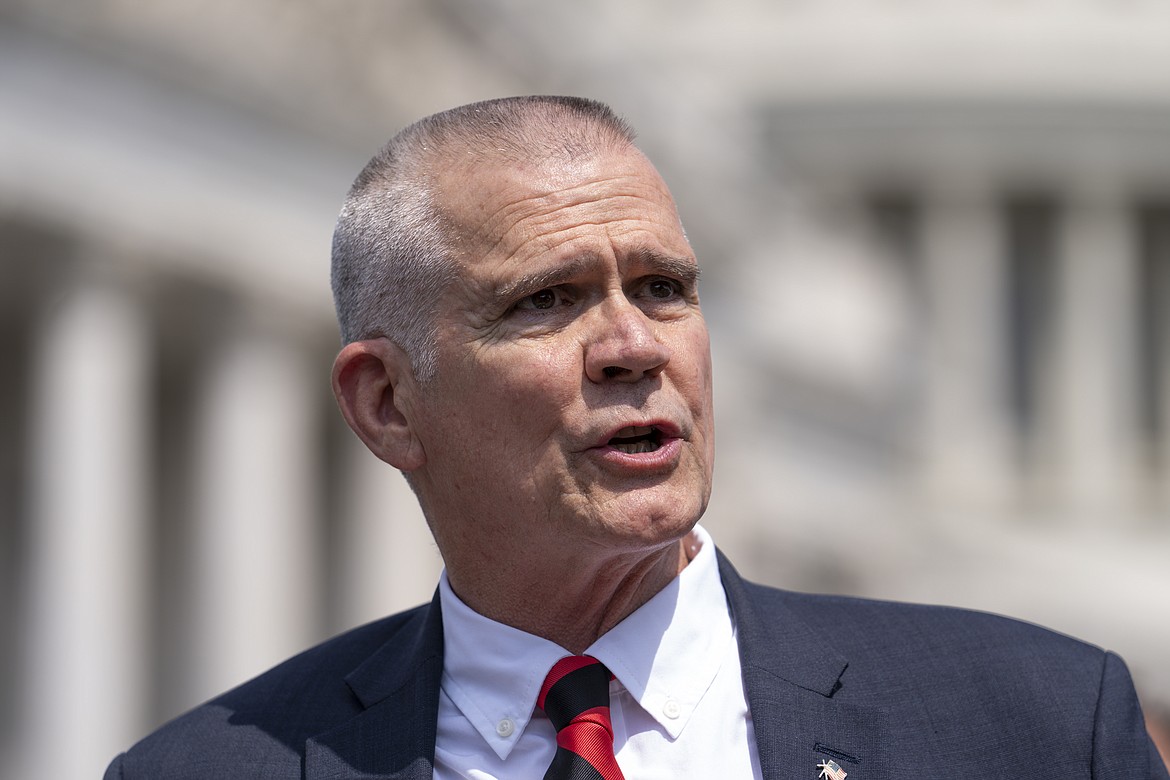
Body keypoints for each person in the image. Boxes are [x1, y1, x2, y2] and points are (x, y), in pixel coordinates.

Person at [105, 96, 1168, 779]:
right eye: (545, 302)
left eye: (664, 288)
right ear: (387, 403)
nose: (631, 345)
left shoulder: (1034, 727)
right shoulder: (203, 771)